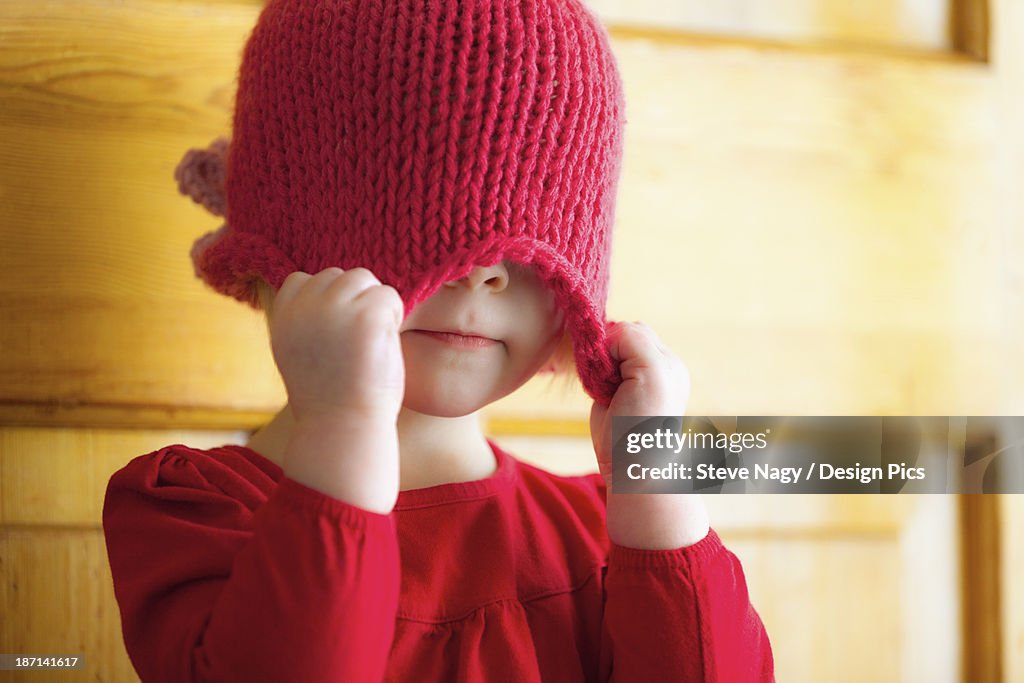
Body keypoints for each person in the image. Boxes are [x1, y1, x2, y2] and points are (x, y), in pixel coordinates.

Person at [103, 0, 774, 681]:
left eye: (529, 247)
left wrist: (658, 497)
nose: (481, 272)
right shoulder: (193, 514)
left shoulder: (603, 535)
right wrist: (341, 426)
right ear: (285, 247)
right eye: (427, 226)